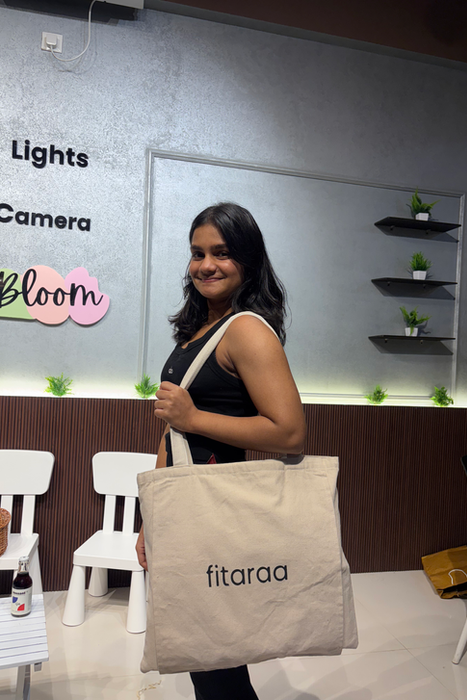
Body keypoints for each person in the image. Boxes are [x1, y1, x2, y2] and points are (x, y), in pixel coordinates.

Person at [135, 202, 306, 700]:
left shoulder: (246, 329)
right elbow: (173, 431)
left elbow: (290, 433)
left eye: (222, 253)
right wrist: (152, 513)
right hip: (186, 505)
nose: (206, 265)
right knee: (206, 652)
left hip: (215, 512)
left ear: (248, 260)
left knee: (214, 655)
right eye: (197, 253)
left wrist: (194, 418)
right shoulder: (200, 330)